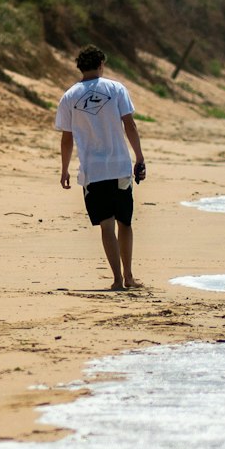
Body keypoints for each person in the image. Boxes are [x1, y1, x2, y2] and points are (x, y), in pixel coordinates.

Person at [56, 44, 145, 290]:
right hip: (119, 168)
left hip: (92, 172)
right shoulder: (116, 89)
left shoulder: (69, 96)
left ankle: (116, 279)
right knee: (125, 223)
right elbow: (130, 125)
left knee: (106, 225)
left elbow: (67, 138)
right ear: (101, 64)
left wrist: (64, 170)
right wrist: (139, 156)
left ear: (80, 67)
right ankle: (129, 276)